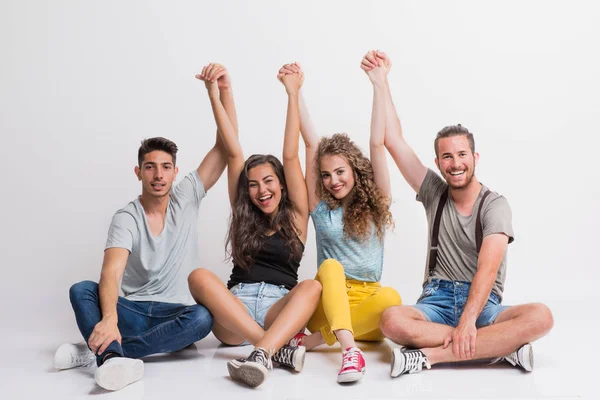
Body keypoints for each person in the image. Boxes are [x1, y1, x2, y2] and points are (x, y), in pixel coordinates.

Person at [360, 51, 554, 377]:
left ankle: (429, 357)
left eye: (462, 154)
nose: (456, 163)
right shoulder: (434, 192)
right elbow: (393, 141)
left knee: (541, 316)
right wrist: (381, 83)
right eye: (447, 157)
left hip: (483, 305)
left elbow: (487, 270)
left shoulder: (495, 205)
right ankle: (501, 349)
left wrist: (468, 322)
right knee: (391, 320)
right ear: (438, 163)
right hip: (436, 299)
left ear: (475, 156)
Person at [53, 64, 237, 391]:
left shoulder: (187, 197)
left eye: (165, 167)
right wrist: (110, 318)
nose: (158, 175)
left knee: (203, 318)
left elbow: (227, 147)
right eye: (150, 167)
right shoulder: (127, 217)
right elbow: (111, 273)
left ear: (175, 171)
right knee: (81, 289)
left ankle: (103, 351)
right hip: (133, 312)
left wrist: (220, 92)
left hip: (177, 315)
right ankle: (111, 353)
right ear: (138, 172)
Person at [188, 64, 322, 388]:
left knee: (313, 286)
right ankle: (271, 349)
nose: (261, 191)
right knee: (199, 277)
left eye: (268, 181)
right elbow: (233, 151)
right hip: (235, 313)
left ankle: (263, 350)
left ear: (281, 184)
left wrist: (293, 93)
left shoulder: (297, 216)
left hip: (280, 307)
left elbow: (291, 156)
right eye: (253, 184)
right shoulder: (243, 212)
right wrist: (217, 93)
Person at [277, 60, 402, 383]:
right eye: (327, 174)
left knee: (392, 300)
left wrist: (378, 84)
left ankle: (316, 341)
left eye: (340, 172)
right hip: (329, 304)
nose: (333, 180)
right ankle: (350, 352)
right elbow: (311, 144)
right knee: (330, 268)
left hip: (367, 307)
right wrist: (296, 91)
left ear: (355, 170)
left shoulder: (377, 204)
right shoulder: (321, 208)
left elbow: (378, 142)